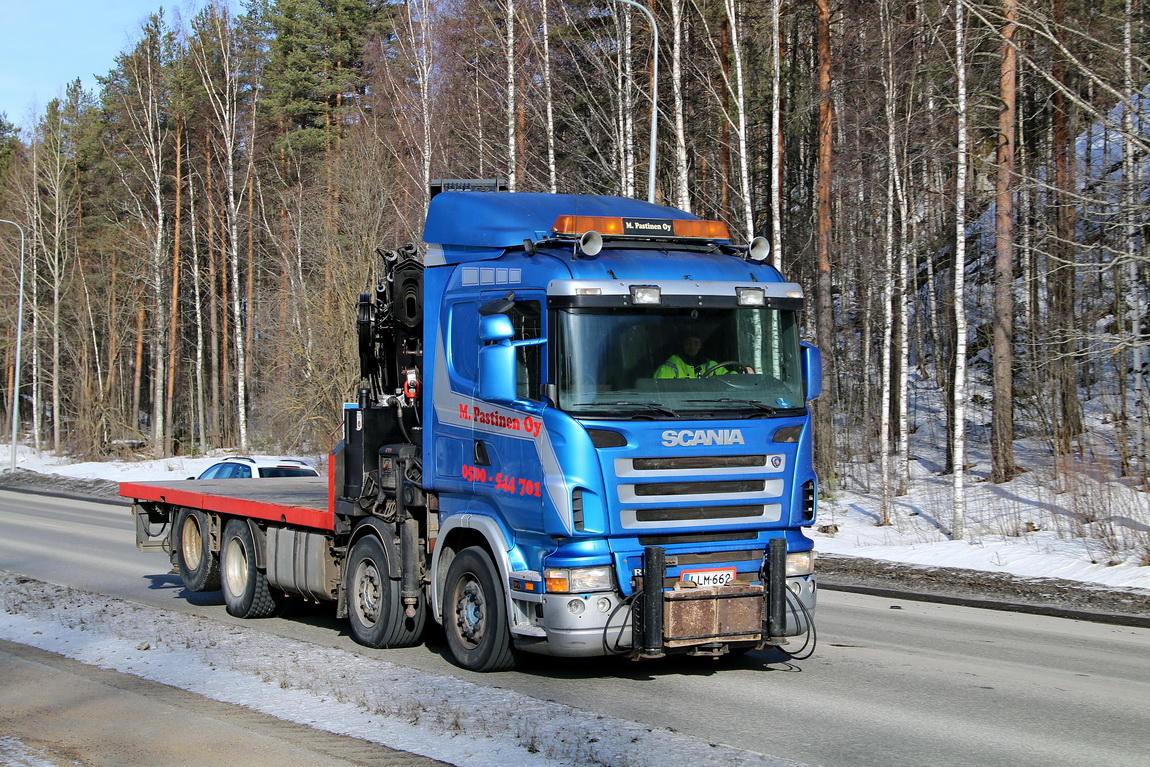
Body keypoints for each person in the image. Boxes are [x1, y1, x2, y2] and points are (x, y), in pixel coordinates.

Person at [654, 335, 732, 379]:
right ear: (683, 345)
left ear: (700, 345)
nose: (692, 346)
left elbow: (731, 378)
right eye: (689, 343)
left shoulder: (711, 365)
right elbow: (660, 394)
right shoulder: (668, 368)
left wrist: (742, 375)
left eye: (696, 343)